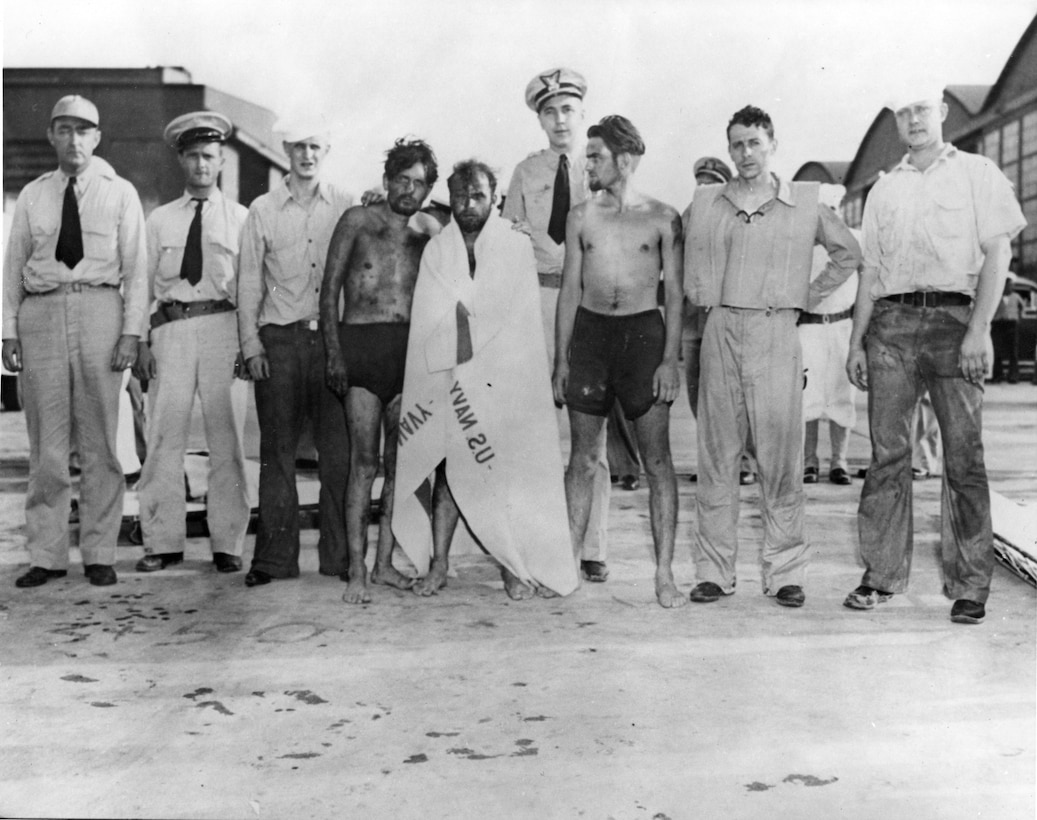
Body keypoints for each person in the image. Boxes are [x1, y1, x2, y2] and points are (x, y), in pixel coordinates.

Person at [844, 84, 1025, 625]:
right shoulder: (884, 190)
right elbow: (870, 273)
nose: (912, 119)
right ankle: (880, 576)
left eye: (921, 108)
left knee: (964, 460)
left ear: (942, 112)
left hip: (954, 323)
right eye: (902, 112)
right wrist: (856, 341)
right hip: (891, 327)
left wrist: (979, 331)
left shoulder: (978, 173)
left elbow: (999, 251)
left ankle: (970, 584)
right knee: (887, 458)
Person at [684, 105, 860, 608]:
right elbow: (670, 246)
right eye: (737, 144)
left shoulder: (804, 201)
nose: (745, 154)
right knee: (717, 456)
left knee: (781, 458)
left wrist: (807, 294)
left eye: (754, 143)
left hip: (776, 329)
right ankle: (714, 572)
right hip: (719, 328)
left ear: (772, 144)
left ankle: (785, 571)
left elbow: (848, 253)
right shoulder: (706, 201)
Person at [393, 160, 579, 600]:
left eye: (477, 195)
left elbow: (515, 319)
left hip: (503, 378)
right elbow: (431, 315)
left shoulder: (515, 247)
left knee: (504, 472)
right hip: (453, 379)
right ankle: (438, 564)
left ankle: (512, 565)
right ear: (450, 199)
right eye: (460, 196)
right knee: (449, 473)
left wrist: (473, 332)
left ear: (494, 197)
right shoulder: (439, 250)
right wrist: (459, 349)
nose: (468, 204)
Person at [4, 95, 147, 588]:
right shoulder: (33, 195)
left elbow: (138, 269)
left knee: (101, 441)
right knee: (46, 444)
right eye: (64, 130)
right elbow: (10, 272)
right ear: (51, 136)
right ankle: (46, 555)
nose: (74, 140)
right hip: (41, 312)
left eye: (83, 131)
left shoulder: (120, 192)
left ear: (97, 137)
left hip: (100, 309)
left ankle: (100, 552)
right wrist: (8, 332)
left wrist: (132, 332)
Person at [553, 115, 685, 608]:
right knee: (582, 459)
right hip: (590, 339)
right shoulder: (581, 216)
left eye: (595, 156)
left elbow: (675, 295)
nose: (587, 164)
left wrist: (669, 360)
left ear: (624, 159)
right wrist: (560, 359)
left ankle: (665, 574)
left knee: (657, 462)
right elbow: (569, 289)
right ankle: (567, 566)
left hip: (642, 340)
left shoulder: (662, 217)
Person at [502, 67, 612, 582]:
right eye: (549, 111)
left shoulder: (603, 166)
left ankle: (593, 545)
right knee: (537, 427)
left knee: (591, 427)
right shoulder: (526, 172)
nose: (559, 119)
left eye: (568, 109)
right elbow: (508, 238)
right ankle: (545, 541)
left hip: (592, 305)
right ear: (540, 119)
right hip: (542, 300)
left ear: (582, 113)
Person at [321, 139, 442, 604]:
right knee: (363, 463)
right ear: (386, 179)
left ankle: (384, 563)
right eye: (402, 180)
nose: (409, 190)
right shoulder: (357, 220)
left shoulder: (429, 229)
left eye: (419, 183)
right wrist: (334, 354)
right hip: (361, 346)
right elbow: (329, 291)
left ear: (428, 189)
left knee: (399, 466)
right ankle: (356, 570)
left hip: (408, 352)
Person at [131, 112, 250, 574]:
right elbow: (141, 283)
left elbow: (250, 287)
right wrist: (140, 340)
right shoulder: (159, 219)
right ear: (181, 160)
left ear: (221, 161)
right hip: (172, 329)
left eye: (209, 156)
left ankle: (228, 543)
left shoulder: (242, 218)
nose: (201, 165)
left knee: (228, 440)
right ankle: (161, 542)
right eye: (193, 156)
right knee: (164, 437)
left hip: (224, 328)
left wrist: (248, 343)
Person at [237, 122, 354, 587]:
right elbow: (247, 281)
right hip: (280, 342)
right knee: (277, 454)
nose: (306, 155)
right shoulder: (262, 210)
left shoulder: (346, 204)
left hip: (330, 342)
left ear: (326, 150)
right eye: (298, 147)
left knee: (337, 455)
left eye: (315, 147)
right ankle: (273, 560)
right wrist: (251, 345)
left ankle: (339, 558)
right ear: (285, 150)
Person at [682, 156, 757, 485]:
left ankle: (743, 461)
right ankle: (712, 462)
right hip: (692, 321)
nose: (703, 187)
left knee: (731, 396)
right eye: (700, 182)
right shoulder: (687, 216)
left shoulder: (738, 216)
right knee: (698, 396)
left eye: (710, 182)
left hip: (727, 318)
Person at [800, 184, 861, 486]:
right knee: (806, 395)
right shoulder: (800, 246)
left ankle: (839, 460)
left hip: (842, 327)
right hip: (807, 327)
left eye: (834, 210)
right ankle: (808, 460)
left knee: (842, 394)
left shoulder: (855, 241)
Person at [990, 267, 1024, 383]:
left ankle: (1013, 376)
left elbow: (1022, 309)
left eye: (1011, 284)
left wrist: (1018, 318)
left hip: (1012, 325)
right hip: (998, 324)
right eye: (1008, 284)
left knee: (1013, 352)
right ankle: (998, 375)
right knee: (997, 350)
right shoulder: (996, 296)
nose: (1010, 286)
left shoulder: (1016, 297)